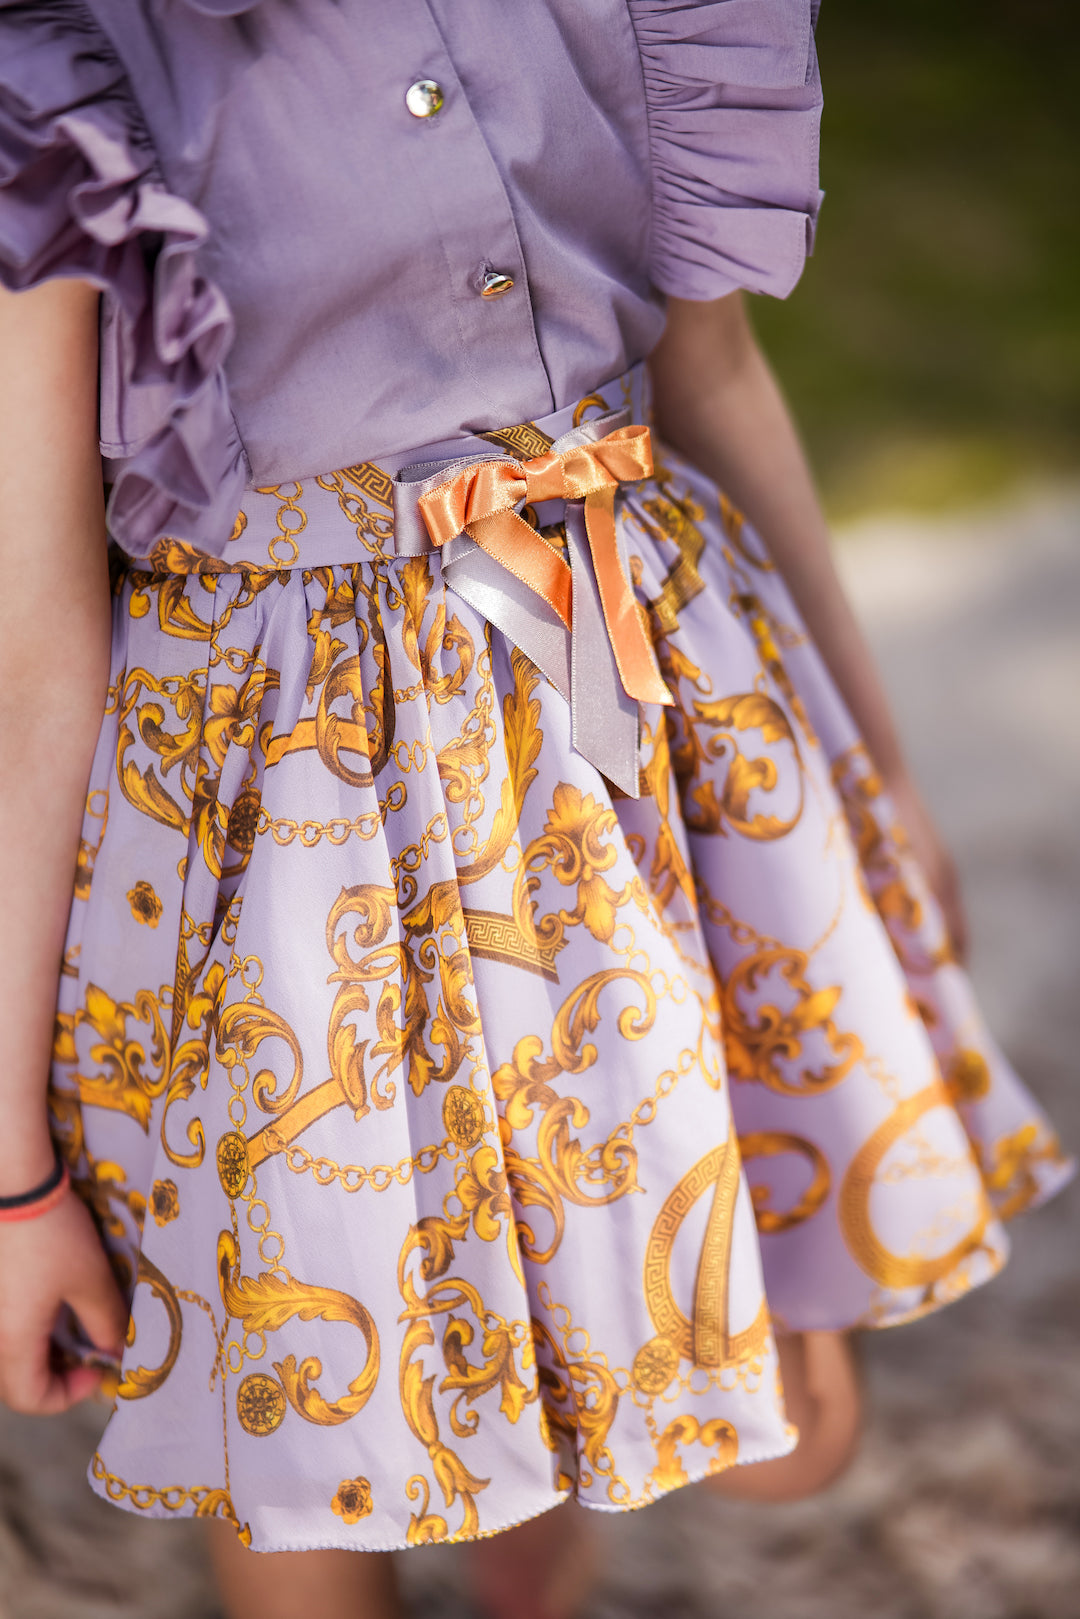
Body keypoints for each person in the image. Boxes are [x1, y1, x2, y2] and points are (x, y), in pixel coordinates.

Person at [0, 4, 1071, 1618]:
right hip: (295, 828)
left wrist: (884, 780)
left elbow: (710, 370)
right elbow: (33, 651)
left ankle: (535, 1509)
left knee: (789, 1431)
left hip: (655, 738)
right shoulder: (67, 74)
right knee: (313, 1447)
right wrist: (14, 1176)